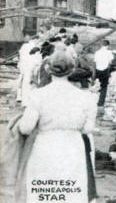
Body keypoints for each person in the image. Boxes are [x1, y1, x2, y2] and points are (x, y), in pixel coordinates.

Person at [17, 51, 98, 203]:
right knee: (71, 192)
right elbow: (87, 129)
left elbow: (26, 128)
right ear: (72, 70)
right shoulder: (87, 98)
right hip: (73, 148)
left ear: (48, 69)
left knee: (45, 192)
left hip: (45, 147)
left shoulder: (37, 96)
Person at [94, 40, 114, 107]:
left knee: (97, 85)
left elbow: (95, 62)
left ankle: (94, 99)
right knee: (104, 87)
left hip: (97, 70)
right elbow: (110, 63)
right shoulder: (109, 52)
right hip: (105, 70)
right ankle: (101, 102)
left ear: (101, 45)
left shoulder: (97, 52)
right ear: (108, 45)